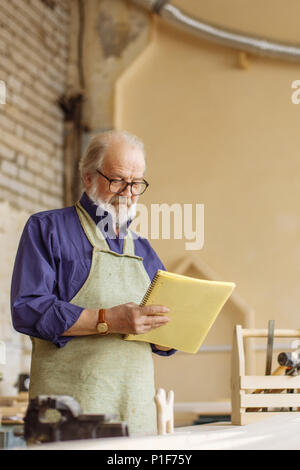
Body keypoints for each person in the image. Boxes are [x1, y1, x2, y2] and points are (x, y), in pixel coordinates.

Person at [11, 130, 176, 435]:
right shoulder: (46, 229)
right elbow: (29, 309)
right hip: (68, 419)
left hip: (136, 415)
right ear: (88, 178)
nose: (128, 192)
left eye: (136, 183)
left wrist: (174, 330)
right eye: (117, 180)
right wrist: (109, 320)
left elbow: (163, 335)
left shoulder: (143, 249)